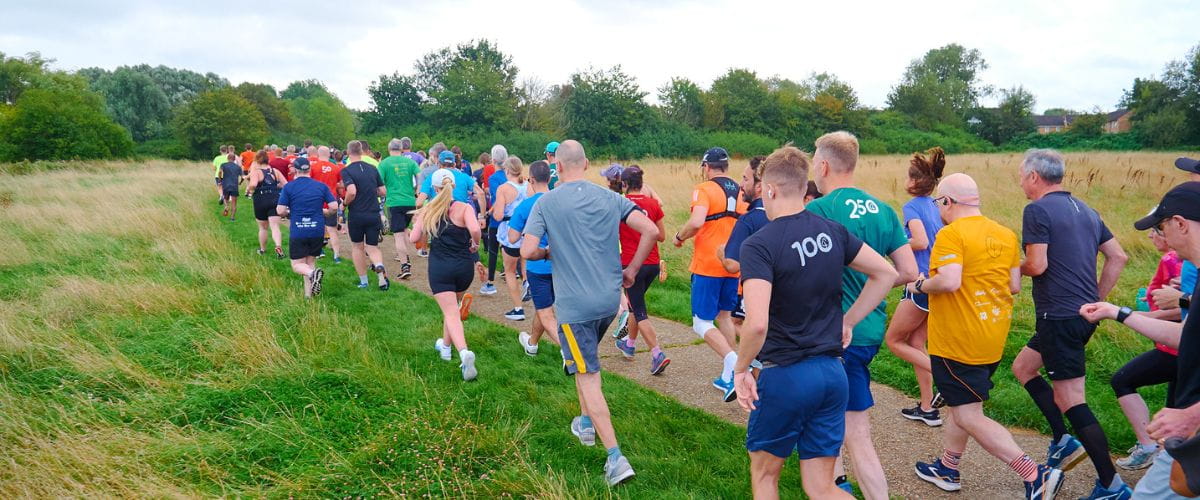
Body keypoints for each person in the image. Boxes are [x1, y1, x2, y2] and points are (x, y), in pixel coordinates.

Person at [731, 145, 897, 499]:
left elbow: (756, 324)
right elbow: (886, 272)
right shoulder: (831, 231)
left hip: (786, 374)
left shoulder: (759, 245)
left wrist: (741, 368)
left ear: (769, 189)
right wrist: (848, 321)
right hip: (832, 374)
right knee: (821, 487)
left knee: (764, 477)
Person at [905, 173, 1066, 499]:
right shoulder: (1005, 234)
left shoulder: (951, 235)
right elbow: (1014, 286)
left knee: (967, 414)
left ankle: (1035, 475)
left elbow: (948, 281)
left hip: (956, 340)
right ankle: (947, 468)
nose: (939, 209)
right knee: (962, 404)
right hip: (991, 338)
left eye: (939, 203)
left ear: (947, 202)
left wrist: (920, 284)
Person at [520, 140, 660, 487]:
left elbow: (526, 250)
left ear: (559, 168)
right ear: (585, 164)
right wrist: (632, 270)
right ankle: (584, 423)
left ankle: (615, 457)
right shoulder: (610, 197)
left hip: (575, 306)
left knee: (588, 375)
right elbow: (651, 230)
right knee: (586, 359)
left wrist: (547, 252)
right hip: (608, 301)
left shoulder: (547, 202)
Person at [1011, 149, 1130, 498]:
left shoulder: (1036, 209)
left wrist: (1008, 267)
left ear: (1034, 177)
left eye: (1021, 175)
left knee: (1070, 397)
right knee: (1023, 367)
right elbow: (1118, 256)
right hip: (1078, 317)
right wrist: (1096, 300)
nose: (1020, 182)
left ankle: (1112, 484)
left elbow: (1037, 265)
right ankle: (1063, 440)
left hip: (1058, 317)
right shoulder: (1087, 210)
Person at [807, 131, 918, 500]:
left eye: (813, 162)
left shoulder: (819, 210)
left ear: (823, 165)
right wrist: (872, 285)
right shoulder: (883, 209)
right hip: (869, 330)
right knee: (831, 419)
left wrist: (847, 314)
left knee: (854, 430)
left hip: (836, 331)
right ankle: (838, 486)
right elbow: (908, 270)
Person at [1079, 182, 1200, 499]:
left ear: (1180, 224)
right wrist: (1116, 312)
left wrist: (1192, 414)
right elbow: (1184, 337)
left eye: (1161, 227)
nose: (1161, 237)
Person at [672, 146, 750, 402]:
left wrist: (679, 236)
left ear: (706, 167)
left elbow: (696, 221)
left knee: (701, 323)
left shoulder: (704, 189)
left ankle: (735, 362)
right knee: (725, 316)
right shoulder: (742, 190)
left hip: (708, 265)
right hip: (732, 264)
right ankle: (730, 374)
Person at [1109, 224, 1182, 471]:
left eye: (1155, 231)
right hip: (1176, 346)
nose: (1150, 237)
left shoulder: (1174, 260)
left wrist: (1141, 317)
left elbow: (1183, 307)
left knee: (1122, 379)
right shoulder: (1174, 258)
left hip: (1175, 348)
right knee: (1175, 408)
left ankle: (1149, 447)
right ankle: (1166, 458)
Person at [885, 147, 947, 427]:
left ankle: (947, 381)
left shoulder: (911, 207)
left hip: (920, 283)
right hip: (936, 280)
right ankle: (927, 408)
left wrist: (893, 244)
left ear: (913, 182)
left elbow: (920, 241)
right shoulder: (935, 205)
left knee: (894, 341)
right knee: (916, 343)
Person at [411, 168, 485, 381]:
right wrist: (475, 244)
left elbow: (414, 237)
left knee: (451, 312)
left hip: (440, 267)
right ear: (453, 186)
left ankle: (464, 354)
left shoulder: (428, 210)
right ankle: (445, 347)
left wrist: (421, 225)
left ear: (434, 188)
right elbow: (475, 229)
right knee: (452, 308)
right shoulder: (464, 208)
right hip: (463, 267)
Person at [613, 166, 671, 375]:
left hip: (630, 265)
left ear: (625, 185)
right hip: (652, 263)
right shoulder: (653, 204)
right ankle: (629, 343)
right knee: (633, 305)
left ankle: (657, 354)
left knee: (639, 310)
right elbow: (661, 236)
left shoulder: (621, 205)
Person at [507, 160, 561, 356]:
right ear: (550, 178)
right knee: (545, 306)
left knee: (545, 311)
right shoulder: (561, 200)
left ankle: (569, 351)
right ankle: (532, 343)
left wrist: (526, 236)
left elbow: (512, 237)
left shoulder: (526, 205)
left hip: (538, 266)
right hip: (563, 264)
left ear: (531, 179)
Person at [717, 156, 770, 325]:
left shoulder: (749, 220)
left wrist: (722, 254)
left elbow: (732, 265)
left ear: (759, 186)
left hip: (757, 292)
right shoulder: (787, 215)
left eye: (746, 179)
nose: (740, 184)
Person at [275, 159, 336, 299]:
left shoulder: (289, 187)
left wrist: (289, 213)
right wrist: (325, 212)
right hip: (317, 230)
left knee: (297, 265)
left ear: (295, 170)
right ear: (309, 170)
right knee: (309, 263)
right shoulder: (321, 186)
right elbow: (333, 207)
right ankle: (309, 297)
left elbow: (280, 210)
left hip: (299, 230)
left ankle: (312, 274)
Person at [341, 140, 389, 291]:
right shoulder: (372, 168)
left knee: (357, 247)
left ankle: (364, 281)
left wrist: (345, 203)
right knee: (372, 247)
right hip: (373, 212)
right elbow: (383, 191)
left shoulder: (347, 170)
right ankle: (379, 267)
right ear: (362, 152)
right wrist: (370, 191)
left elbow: (352, 191)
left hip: (357, 214)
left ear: (348, 153)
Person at [493, 156, 530, 321]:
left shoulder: (503, 188)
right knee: (526, 262)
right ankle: (527, 283)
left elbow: (499, 214)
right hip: (528, 231)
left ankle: (518, 308)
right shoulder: (530, 186)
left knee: (509, 270)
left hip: (510, 232)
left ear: (507, 170)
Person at [379, 138, 421, 279]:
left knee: (398, 235)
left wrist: (383, 193)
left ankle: (404, 265)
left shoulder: (384, 163)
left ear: (389, 149)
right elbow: (419, 174)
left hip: (394, 202)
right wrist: (418, 190)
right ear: (402, 149)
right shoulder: (410, 162)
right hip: (410, 201)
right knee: (403, 231)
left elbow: (379, 183)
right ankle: (407, 259)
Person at [480, 145, 510, 295]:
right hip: (511, 220)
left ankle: (490, 282)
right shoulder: (510, 177)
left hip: (497, 219)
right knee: (509, 249)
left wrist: (489, 212)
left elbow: (498, 199)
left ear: (493, 160)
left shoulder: (494, 178)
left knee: (493, 251)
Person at [247, 149, 287, 258]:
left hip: (260, 200)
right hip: (274, 199)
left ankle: (263, 249)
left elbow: (254, 184)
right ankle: (278, 246)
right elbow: (286, 185)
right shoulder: (275, 171)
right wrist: (276, 186)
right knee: (275, 226)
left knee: (263, 227)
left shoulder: (256, 172)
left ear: (257, 160)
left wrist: (250, 189)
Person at [309, 146, 344, 263]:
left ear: (318, 155)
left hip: (316, 200)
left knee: (317, 227)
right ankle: (336, 256)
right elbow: (341, 185)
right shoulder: (335, 168)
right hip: (331, 201)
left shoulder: (313, 167)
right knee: (332, 230)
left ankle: (319, 251)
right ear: (329, 154)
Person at [218, 153, 243, 221]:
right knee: (234, 202)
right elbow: (242, 177)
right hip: (234, 186)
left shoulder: (223, 165)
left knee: (226, 198)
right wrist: (240, 182)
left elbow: (220, 172)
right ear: (234, 159)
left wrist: (220, 179)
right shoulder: (238, 167)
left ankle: (226, 207)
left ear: (227, 158)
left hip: (226, 185)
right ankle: (232, 218)